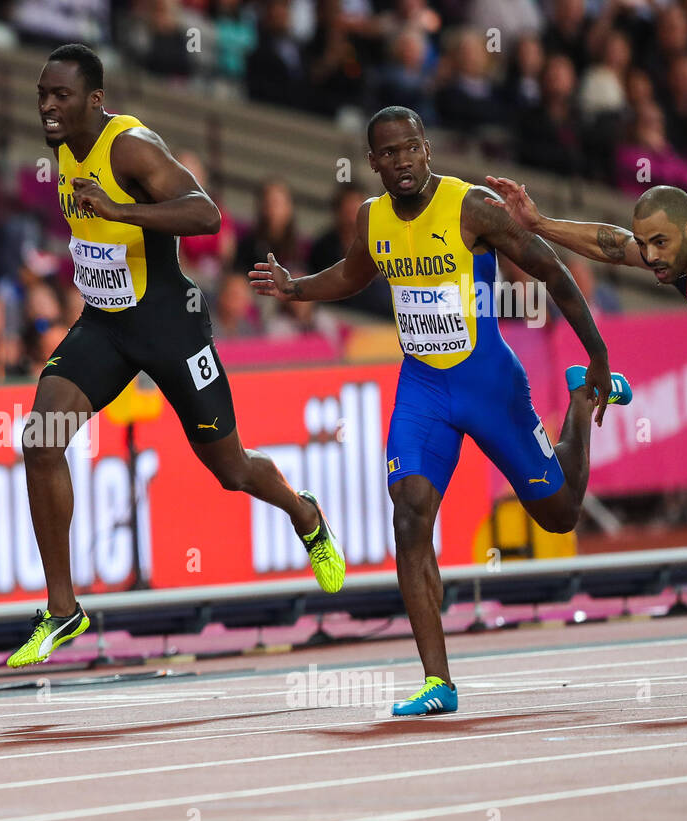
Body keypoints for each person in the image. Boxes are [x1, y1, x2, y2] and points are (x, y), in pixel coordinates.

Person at [249, 106, 633, 716]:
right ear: (372, 162)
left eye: (411, 149)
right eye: (388, 154)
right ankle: (438, 681)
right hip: (424, 388)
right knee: (409, 513)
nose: (402, 162)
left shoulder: (469, 206)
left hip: (488, 384)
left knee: (560, 514)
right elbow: (353, 274)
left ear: (427, 149)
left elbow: (552, 272)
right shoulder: (373, 218)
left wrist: (598, 355)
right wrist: (296, 288)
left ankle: (582, 402)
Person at [7, 44, 346, 670]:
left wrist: (120, 209)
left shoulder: (130, 146)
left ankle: (306, 515)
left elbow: (208, 215)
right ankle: (63, 609)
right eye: (42, 94)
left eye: (61, 96)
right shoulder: (59, 146)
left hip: (170, 327)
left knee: (231, 468)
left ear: (96, 100)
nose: (48, 106)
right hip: (105, 325)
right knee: (40, 437)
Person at [484, 177, 687, 312]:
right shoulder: (673, 258)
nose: (650, 257)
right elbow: (619, 245)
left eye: (660, 242)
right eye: (642, 244)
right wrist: (539, 224)